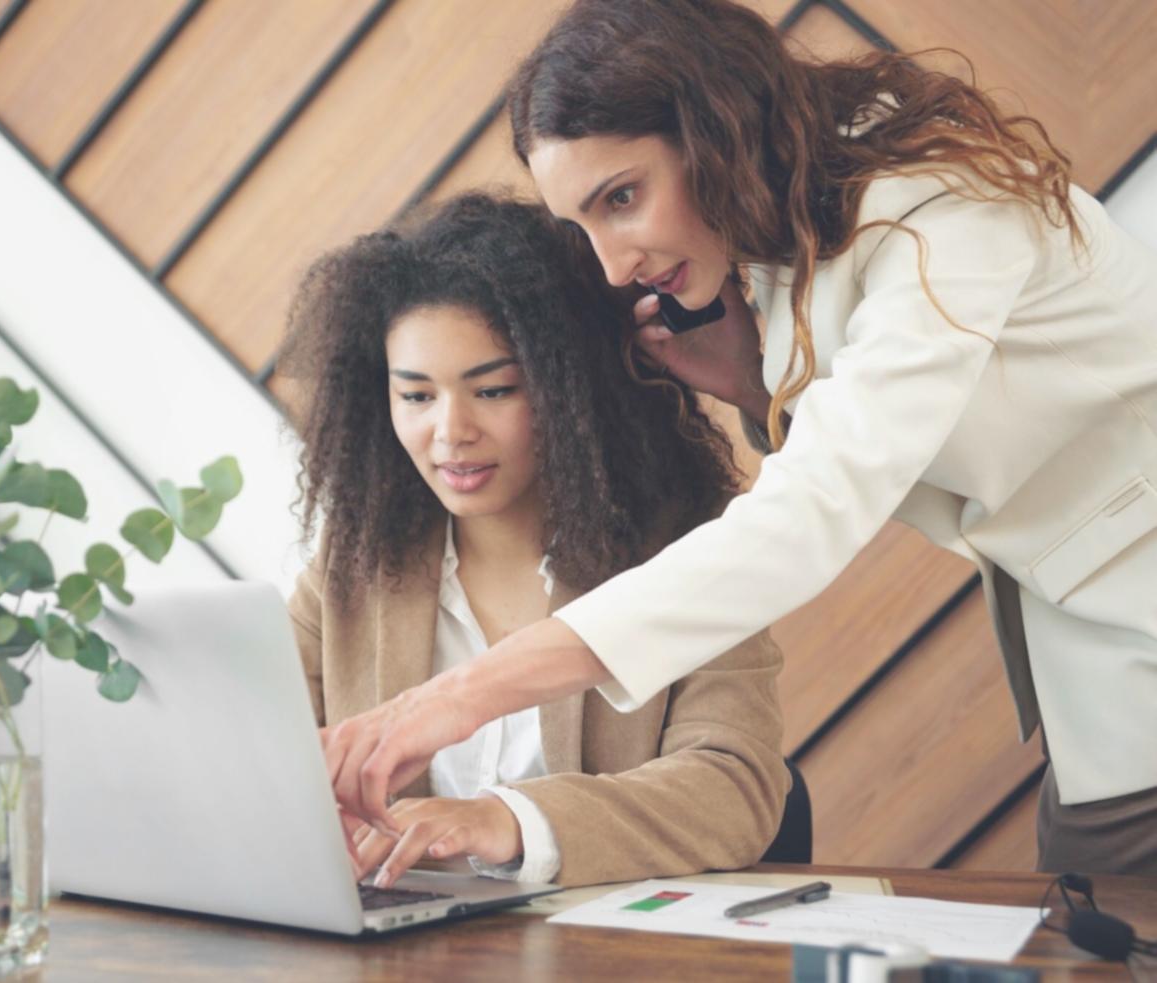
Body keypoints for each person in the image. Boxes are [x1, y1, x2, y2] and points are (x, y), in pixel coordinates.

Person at [320, 0, 1157, 876]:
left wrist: (460, 696)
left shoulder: (939, 210)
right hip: (1096, 648)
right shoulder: (790, 218)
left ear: (711, 130)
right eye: (584, 223)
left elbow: (811, 514)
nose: (611, 263)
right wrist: (753, 388)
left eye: (622, 198)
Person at [278, 192, 790, 888]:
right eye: (417, 395)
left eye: (493, 391)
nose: (450, 431)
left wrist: (506, 819)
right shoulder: (352, 570)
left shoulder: (687, 554)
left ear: (568, 392)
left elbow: (734, 789)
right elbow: (259, 765)